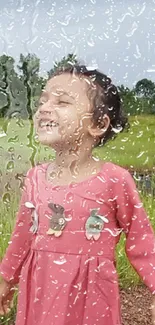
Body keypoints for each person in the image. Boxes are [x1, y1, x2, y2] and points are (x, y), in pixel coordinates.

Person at [0, 64, 155, 325]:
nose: (45, 108)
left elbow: (142, 239)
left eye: (62, 102)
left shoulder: (114, 180)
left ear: (98, 124)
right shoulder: (35, 177)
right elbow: (22, 237)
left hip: (92, 297)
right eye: (43, 101)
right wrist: (5, 281)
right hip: (40, 290)